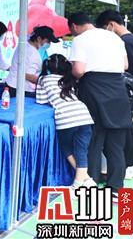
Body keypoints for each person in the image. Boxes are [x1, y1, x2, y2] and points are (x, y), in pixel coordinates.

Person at [68, 12, 132, 202]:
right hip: (118, 91)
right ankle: (116, 189)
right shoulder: (114, 38)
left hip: (93, 89)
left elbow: (78, 70)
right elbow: (125, 65)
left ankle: (91, 185)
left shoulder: (80, 40)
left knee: (93, 141)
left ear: (74, 26)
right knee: (116, 145)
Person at [36, 54, 95, 188]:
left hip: (66, 118)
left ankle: (78, 184)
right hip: (83, 115)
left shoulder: (43, 79)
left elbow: (41, 101)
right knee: (81, 150)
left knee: (66, 148)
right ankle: (86, 180)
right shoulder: (66, 79)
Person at [6, 26, 59, 98]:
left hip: (12, 83)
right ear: (39, 39)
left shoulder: (25, 42)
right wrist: (46, 82)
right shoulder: (32, 54)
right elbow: (28, 75)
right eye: (48, 41)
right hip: (20, 89)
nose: (49, 44)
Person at [96, 9, 133, 77]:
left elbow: (130, 69)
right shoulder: (132, 38)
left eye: (104, 29)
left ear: (111, 24)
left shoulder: (123, 42)